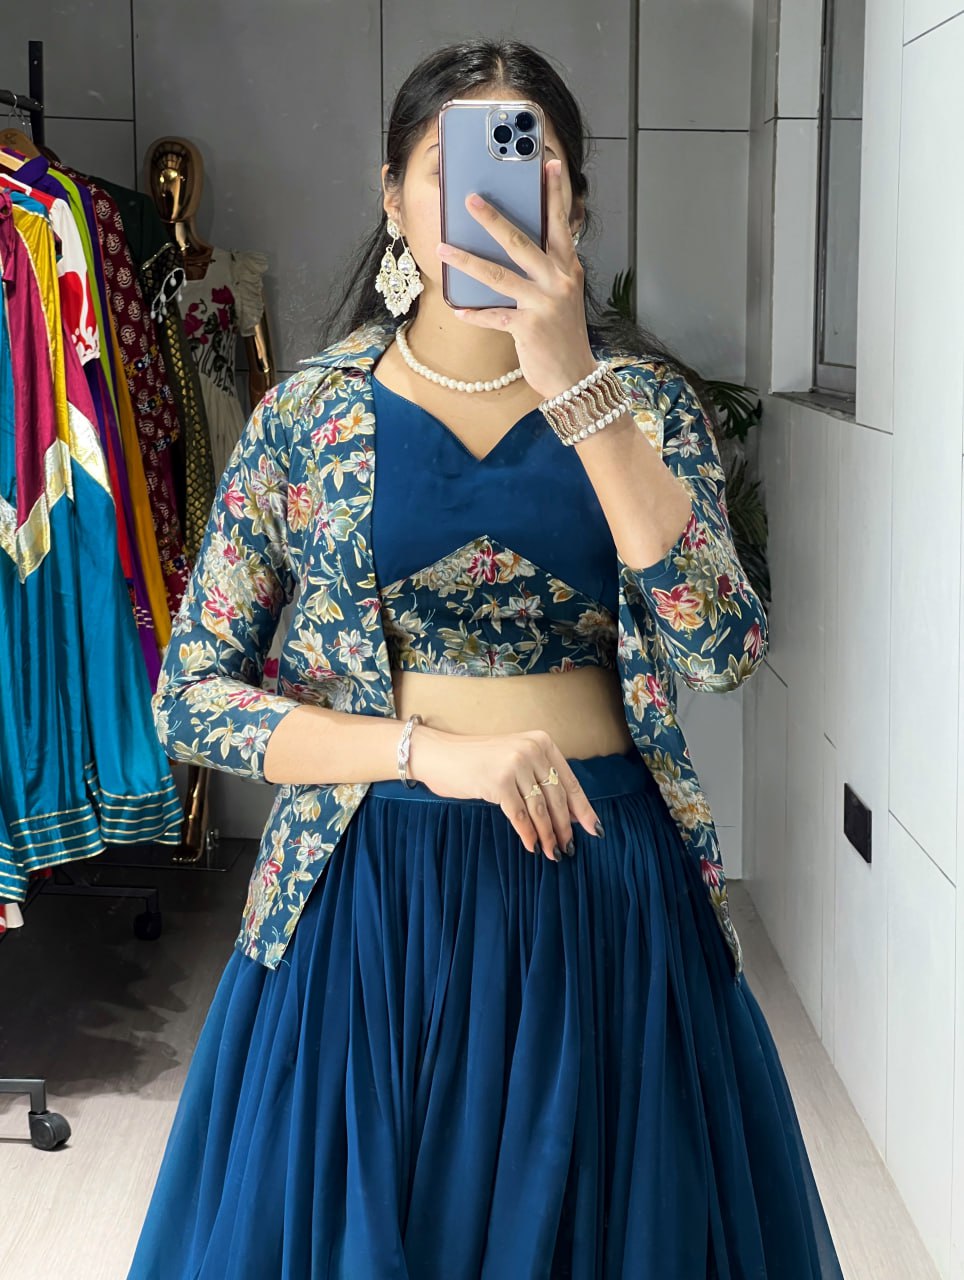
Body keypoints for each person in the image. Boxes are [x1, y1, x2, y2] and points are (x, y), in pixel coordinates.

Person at [127, 38, 845, 1280]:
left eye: (529, 164)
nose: (488, 197)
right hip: (371, 897)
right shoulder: (311, 415)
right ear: (393, 196)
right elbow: (191, 698)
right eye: (447, 166)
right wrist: (427, 753)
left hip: (602, 889)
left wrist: (575, 385)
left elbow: (723, 648)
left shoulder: (644, 405)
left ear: (574, 203)